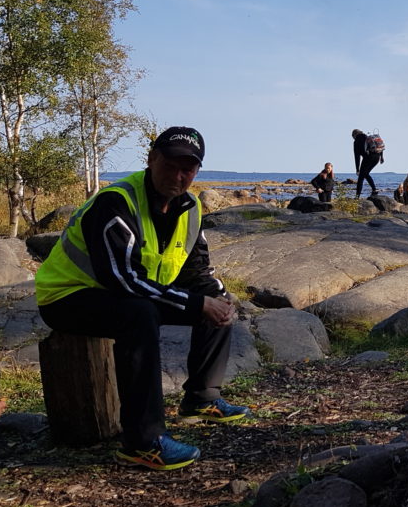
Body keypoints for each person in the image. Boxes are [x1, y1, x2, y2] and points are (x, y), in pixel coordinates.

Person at [34, 127, 248, 470]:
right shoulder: (116, 202)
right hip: (67, 298)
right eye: (170, 165)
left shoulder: (190, 207)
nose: (178, 176)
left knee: (216, 294)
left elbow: (196, 270)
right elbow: (122, 279)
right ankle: (143, 441)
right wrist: (194, 305)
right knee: (140, 313)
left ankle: (202, 398)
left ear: (196, 171)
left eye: (188, 169)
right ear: (151, 159)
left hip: (127, 293)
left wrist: (211, 299)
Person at [353, 129, 384, 199]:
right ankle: (374, 190)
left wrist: (357, 169)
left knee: (361, 177)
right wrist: (381, 157)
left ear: (354, 135)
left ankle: (357, 197)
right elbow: (378, 146)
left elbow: (357, 156)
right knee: (365, 173)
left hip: (368, 157)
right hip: (377, 157)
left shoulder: (357, 141)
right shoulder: (369, 137)